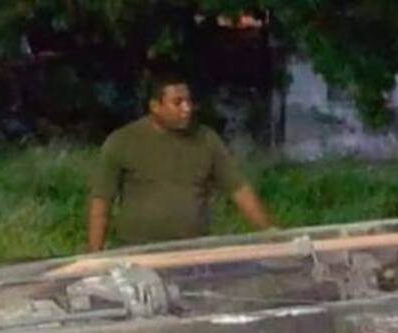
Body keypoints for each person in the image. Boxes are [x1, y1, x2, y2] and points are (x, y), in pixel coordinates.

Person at [87, 72, 274, 251]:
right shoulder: (123, 141)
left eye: (188, 101)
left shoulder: (206, 140)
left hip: (192, 252)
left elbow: (239, 190)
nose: (187, 109)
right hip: (138, 251)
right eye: (178, 103)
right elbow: (101, 202)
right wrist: (95, 255)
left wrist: (270, 234)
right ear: (155, 106)